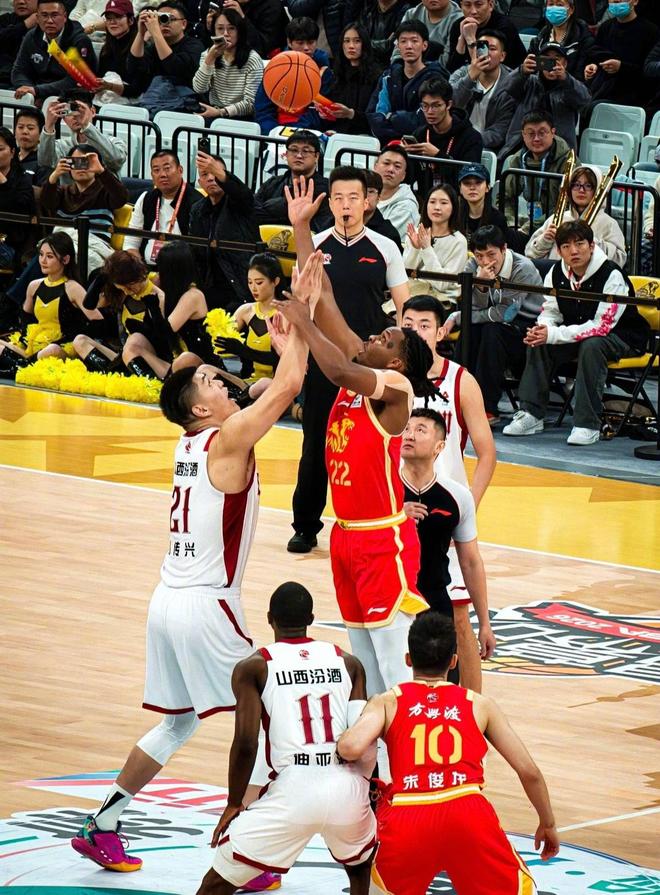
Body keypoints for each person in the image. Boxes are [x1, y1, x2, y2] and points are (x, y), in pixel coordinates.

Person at [69, 252, 312, 875]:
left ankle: (103, 822)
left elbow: (276, 387)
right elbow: (288, 387)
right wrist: (303, 318)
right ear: (200, 409)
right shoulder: (227, 438)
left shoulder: (188, 441)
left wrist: (286, 341)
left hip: (166, 601)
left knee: (177, 725)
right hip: (206, 604)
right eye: (208, 382)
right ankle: (249, 852)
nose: (219, 381)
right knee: (270, 714)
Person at [337, 611, 560, 895]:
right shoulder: (479, 704)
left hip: (410, 813)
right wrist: (548, 823)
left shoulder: (388, 701)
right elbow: (529, 772)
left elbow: (350, 748)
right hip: (467, 810)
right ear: (453, 661)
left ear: (408, 659)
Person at [195, 581, 377, 895]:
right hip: (345, 788)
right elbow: (364, 738)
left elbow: (246, 742)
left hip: (294, 791)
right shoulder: (348, 663)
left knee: (215, 884)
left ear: (270, 619)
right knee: (360, 868)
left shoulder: (255, 667)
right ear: (311, 618)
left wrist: (234, 802)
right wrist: (366, 790)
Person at [287, 169, 411, 555]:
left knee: (370, 445)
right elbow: (309, 293)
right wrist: (300, 227)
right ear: (331, 202)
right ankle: (306, 526)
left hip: (369, 362)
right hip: (325, 358)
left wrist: (405, 352)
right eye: (338, 197)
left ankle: (380, 518)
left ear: (367, 202)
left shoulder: (385, 246)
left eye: (353, 197)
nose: (346, 204)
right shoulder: (315, 243)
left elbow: (405, 307)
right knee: (315, 444)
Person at [503, 219, 650, 446]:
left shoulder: (611, 274)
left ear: (591, 246)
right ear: (559, 250)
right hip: (578, 333)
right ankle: (531, 414)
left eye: (580, 244)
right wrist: (544, 329)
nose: (573, 251)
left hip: (622, 336)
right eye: (566, 246)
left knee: (592, 345)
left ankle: (587, 423)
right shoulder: (555, 272)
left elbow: (601, 326)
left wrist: (554, 334)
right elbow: (550, 310)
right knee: (538, 339)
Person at [401, 408, 495, 692]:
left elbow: (471, 562)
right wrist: (395, 516)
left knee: (443, 690)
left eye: (420, 430)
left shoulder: (458, 496)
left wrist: (485, 623)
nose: (409, 435)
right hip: (392, 601)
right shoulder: (383, 489)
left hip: (435, 601)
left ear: (439, 446)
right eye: (406, 429)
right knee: (394, 688)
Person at [401, 294, 496, 506]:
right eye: (408, 325)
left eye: (424, 326)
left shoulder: (462, 381)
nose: (415, 332)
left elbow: (487, 453)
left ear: (440, 333)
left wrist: (469, 507)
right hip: (396, 505)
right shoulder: (387, 378)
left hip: (445, 503)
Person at [444, 225, 544, 425]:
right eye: (480, 256)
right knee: (472, 330)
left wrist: (459, 317)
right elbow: (471, 307)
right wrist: (481, 287)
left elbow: (505, 314)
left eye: (491, 254)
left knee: (491, 330)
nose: (485, 262)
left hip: (527, 325)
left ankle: (487, 407)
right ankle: (454, 396)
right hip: (493, 321)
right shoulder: (473, 265)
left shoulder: (522, 268)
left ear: (504, 248)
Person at [0, 234, 96, 379]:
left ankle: (17, 368)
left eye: (49, 256)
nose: (43, 260)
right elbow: (26, 321)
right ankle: (21, 367)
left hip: (60, 349)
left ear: (65, 259)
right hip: (34, 348)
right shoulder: (34, 286)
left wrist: (70, 338)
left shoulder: (73, 288)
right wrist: (26, 342)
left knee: (51, 350)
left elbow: (98, 321)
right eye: (41, 255)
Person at [39, 145, 129, 281]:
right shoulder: (64, 192)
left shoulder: (105, 191)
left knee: (57, 256)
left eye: (86, 162)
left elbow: (121, 198)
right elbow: (47, 202)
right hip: (61, 247)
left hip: (92, 246)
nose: (81, 167)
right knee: (46, 256)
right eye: (76, 162)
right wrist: (54, 175)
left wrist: (102, 171)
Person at [189, 151, 258, 312]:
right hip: (209, 285)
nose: (211, 178)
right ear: (199, 182)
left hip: (239, 285)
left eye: (215, 173)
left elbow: (244, 194)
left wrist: (219, 172)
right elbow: (195, 251)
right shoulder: (197, 209)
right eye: (205, 174)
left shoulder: (239, 203)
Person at [525, 164, 626, 268]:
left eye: (588, 186)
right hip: (555, 275)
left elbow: (619, 260)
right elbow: (529, 254)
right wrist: (544, 241)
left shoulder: (608, 223)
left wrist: (593, 242)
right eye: (576, 185)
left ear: (597, 190)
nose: (581, 190)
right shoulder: (557, 218)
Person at [500, 42, 590, 157]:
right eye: (546, 59)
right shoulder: (528, 82)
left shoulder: (569, 86)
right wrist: (521, 71)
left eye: (556, 59)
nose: (551, 63)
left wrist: (566, 79)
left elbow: (584, 101)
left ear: (565, 63)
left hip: (559, 152)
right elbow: (506, 89)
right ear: (539, 62)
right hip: (520, 146)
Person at [367, 20, 449, 145]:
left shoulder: (435, 78)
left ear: (424, 45)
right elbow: (374, 115)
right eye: (403, 41)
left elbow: (423, 120)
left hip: (423, 146)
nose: (409, 46)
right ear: (398, 46)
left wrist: (392, 117)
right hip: (387, 145)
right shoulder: (388, 76)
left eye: (414, 41)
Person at [123, 150, 203, 267]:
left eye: (167, 168)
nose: (162, 174)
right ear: (152, 175)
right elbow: (131, 242)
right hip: (145, 268)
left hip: (181, 269)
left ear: (180, 170)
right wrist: (139, 268)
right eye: (156, 170)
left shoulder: (197, 203)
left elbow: (198, 252)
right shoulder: (146, 198)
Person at [254, 17, 333, 135]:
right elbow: (263, 109)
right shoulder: (274, 68)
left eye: (311, 42)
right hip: (274, 132)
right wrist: (273, 132)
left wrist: (294, 134)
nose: (306, 48)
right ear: (289, 42)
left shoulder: (324, 71)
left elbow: (320, 114)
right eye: (300, 43)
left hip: (307, 133)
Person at [502, 110, 577, 233]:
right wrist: (511, 225)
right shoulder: (517, 159)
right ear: (523, 135)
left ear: (553, 132)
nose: (536, 139)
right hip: (526, 224)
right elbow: (504, 198)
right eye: (531, 133)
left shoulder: (568, 162)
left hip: (558, 226)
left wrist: (530, 228)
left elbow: (567, 205)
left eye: (542, 133)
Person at [127, 1, 205, 117]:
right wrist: (141, 33)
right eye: (160, 19)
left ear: (183, 24)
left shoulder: (194, 46)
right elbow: (133, 69)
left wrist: (156, 33)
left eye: (170, 19)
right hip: (153, 104)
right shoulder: (153, 48)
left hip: (185, 109)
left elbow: (175, 68)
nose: (165, 23)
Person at [215, 252, 282, 384]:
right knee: (205, 369)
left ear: (275, 281)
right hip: (246, 383)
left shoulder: (285, 315)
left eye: (259, 282)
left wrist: (242, 350)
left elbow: (281, 359)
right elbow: (220, 341)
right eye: (250, 282)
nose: (253, 288)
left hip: (275, 385)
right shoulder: (245, 311)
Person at [407, 76, 483, 191]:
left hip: (456, 198)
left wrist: (438, 156)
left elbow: (468, 179)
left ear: (448, 105)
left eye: (436, 106)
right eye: (425, 106)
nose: (429, 112)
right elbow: (409, 177)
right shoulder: (420, 134)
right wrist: (403, 157)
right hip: (425, 198)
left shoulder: (471, 137)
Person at [11, 0, 96, 102]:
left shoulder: (79, 41)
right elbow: (19, 71)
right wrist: (28, 90)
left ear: (65, 17)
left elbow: (75, 80)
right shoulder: (32, 37)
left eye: (54, 15)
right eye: (44, 15)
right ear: (37, 18)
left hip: (71, 98)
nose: (50, 20)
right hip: (37, 95)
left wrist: (37, 91)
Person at [448, 28, 515, 154]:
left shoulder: (511, 83)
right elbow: (449, 103)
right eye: (482, 47)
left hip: (491, 149)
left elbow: (500, 131)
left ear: (502, 56)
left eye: (492, 49)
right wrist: (470, 78)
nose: (486, 53)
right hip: (455, 142)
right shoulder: (462, 73)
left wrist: (469, 140)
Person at [585, 0, 659, 109]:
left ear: (635, 1)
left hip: (634, 95)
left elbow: (649, 72)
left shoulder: (650, 31)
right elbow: (596, 56)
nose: (617, 1)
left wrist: (621, 67)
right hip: (604, 89)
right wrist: (592, 67)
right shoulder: (606, 27)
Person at [254, 130, 333, 233]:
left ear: (316, 156)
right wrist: (284, 206)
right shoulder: (273, 183)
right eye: (294, 150)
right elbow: (253, 213)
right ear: (286, 154)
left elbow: (321, 228)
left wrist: (273, 208)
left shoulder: (326, 189)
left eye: (305, 151)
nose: (299, 155)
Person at [193, 7, 264, 121]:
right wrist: (210, 59)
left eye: (231, 28)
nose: (225, 34)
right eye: (220, 28)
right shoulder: (208, 54)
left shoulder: (252, 59)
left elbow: (251, 103)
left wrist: (221, 112)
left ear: (239, 31)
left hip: (242, 117)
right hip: (214, 111)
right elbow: (199, 89)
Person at [38, 89, 128, 178]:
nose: (74, 116)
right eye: (68, 112)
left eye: (79, 110)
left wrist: (86, 126)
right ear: (63, 118)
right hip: (70, 188)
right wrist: (49, 125)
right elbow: (45, 163)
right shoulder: (61, 146)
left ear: (93, 111)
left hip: (104, 188)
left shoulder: (115, 142)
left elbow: (116, 161)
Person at [403, 183, 468, 302]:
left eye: (444, 203)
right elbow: (404, 275)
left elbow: (442, 284)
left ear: (453, 207)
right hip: (412, 293)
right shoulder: (416, 233)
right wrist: (415, 248)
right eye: (432, 202)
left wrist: (427, 249)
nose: (437, 207)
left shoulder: (459, 241)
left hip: (441, 299)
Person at [319, 22, 383, 136]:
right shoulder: (336, 73)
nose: (351, 46)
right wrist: (325, 112)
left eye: (357, 41)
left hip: (364, 135)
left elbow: (376, 118)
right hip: (335, 133)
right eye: (347, 41)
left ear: (364, 44)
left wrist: (350, 114)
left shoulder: (377, 76)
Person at [446, 0, 527, 73]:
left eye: (479, 4)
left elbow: (486, 68)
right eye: (467, 5)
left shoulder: (504, 27)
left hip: (508, 78)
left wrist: (470, 39)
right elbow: (451, 70)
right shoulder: (458, 26)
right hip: (468, 79)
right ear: (461, 6)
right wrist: (462, 40)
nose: (473, 11)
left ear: (491, 5)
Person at [529, 0, 597, 80]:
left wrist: (565, 78)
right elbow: (531, 71)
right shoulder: (540, 39)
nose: (554, 8)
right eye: (551, 4)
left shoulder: (583, 38)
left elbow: (582, 74)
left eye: (560, 5)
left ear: (571, 9)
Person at [0, 127, 36, 272]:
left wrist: (4, 183)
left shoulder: (23, 180)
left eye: (0, 149)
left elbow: (20, 210)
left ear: (12, 152)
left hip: (10, 244)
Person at [95, 0, 141, 103]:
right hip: (105, 101)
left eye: (118, 17)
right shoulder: (106, 49)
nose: (112, 22)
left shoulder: (140, 48)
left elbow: (137, 90)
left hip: (132, 105)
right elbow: (101, 78)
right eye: (108, 18)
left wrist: (109, 86)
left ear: (131, 20)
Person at [373, 146, 420, 242]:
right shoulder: (364, 193)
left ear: (403, 176)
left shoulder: (407, 207)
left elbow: (381, 239)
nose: (391, 169)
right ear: (375, 167)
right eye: (386, 163)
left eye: (397, 166)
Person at [393, 0, 462, 65]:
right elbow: (398, 50)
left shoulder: (458, 20)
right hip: (406, 68)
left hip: (439, 71)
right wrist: (398, 66)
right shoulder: (411, 14)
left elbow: (447, 61)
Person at [455, 161, 509, 243]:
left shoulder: (497, 219)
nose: (472, 187)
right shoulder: (454, 216)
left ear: (487, 187)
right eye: (467, 183)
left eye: (478, 182)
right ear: (460, 189)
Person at [349, 0, 411, 68]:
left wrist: (364, 44)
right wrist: (384, 44)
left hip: (391, 68)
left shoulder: (407, 12)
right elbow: (355, 41)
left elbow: (393, 47)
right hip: (366, 67)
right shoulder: (368, 10)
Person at [221, 0, 287, 59]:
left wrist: (242, 18)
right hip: (232, 55)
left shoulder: (272, 6)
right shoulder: (228, 3)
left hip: (267, 59)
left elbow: (263, 47)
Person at [0, 0, 37, 89]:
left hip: (31, 84)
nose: (21, 1)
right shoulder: (5, 19)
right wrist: (25, 25)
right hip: (3, 79)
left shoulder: (50, 24)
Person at [363, 169, 404, 248]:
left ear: (378, 197)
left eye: (371, 191)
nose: (365, 196)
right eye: (360, 191)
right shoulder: (339, 224)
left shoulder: (388, 234)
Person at [14, 108, 49, 185]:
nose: (25, 132)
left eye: (30, 128)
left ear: (41, 133)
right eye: (20, 127)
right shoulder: (9, 155)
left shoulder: (43, 163)